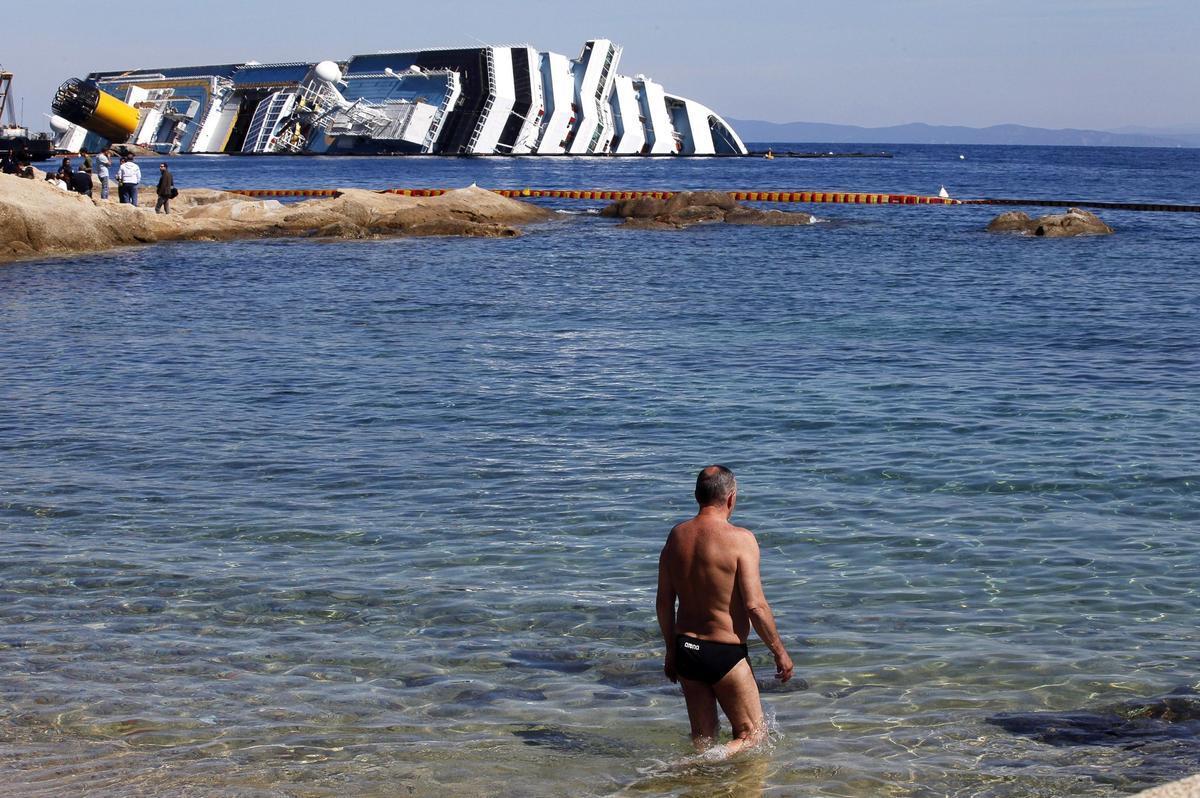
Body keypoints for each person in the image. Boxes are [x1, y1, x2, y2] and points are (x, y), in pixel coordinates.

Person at [656, 465, 794, 755]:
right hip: (724, 653)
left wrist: (671, 651)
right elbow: (755, 606)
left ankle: (701, 780)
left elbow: (665, 602)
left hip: (686, 650)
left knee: (703, 738)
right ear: (731, 498)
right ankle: (691, 767)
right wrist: (779, 650)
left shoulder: (676, 537)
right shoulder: (741, 540)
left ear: (697, 495)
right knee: (753, 736)